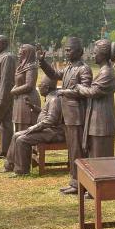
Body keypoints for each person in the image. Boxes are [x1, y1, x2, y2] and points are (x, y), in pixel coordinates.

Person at [38, 37, 93, 195]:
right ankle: (75, 181)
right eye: (66, 50)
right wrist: (43, 62)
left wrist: (63, 92)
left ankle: (80, 184)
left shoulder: (84, 69)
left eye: (69, 50)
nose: (66, 52)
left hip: (77, 116)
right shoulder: (69, 68)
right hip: (67, 116)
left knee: (78, 150)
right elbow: (54, 74)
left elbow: (84, 91)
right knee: (72, 150)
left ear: (79, 51)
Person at [58, 39, 115, 158]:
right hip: (97, 120)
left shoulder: (106, 72)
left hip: (102, 122)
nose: (93, 55)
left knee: (100, 158)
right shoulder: (103, 71)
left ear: (103, 54)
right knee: (94, 156)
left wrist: (79, 87)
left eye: (95, 53)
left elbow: (93, 91)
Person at [2, 76, 65, 176]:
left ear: (47, 88)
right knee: (16, 135)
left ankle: (22, 171)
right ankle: (9, 165)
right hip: (48, 130)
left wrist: (34, 127)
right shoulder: (50, 97)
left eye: (41, 86)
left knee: (22, 140)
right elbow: (46, 113)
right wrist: (33, 107)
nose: (39, 87)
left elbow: (51, 119)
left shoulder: (54, 99)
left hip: (55, 132)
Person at [11, 44, 41, 133]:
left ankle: (25, 147)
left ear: (27, 55)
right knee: (18, 126)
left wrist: (13, 91)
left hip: (27, 100)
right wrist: (14, 90)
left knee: (25, 128)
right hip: (19, 100)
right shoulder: (21, 67)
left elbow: (29, 85)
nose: (18, 55)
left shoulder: (31, 67)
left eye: (21, 54)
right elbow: (18, 83)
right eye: (18, 53)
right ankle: (18, 147)